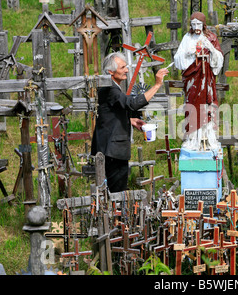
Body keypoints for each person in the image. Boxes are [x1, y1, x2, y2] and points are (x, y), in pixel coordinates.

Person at [91, 52, 169, 192]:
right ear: (111, 71)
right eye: (122, 67)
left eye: (126, 66)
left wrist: (130, 120)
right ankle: (117, 214)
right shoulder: (110, 89)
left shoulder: (110, 87)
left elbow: (110, 113)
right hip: (112, 151)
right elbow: (132, 104)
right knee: (117, 192)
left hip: (108, 148)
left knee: (112, 190)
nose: (126, 70)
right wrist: (157, 85)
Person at [174, 12, 224, 150]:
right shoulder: (187, 38)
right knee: (191, 106)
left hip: (206, 79)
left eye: (199, 24)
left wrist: (211, 49)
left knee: (207, 106)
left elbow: (219, 58)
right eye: (194, 24)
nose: (196, 27)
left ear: (203, 24)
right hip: (192, 81)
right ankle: (192, 138)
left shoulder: (211, 38)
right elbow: (178, 58)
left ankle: (208, 137)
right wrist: (189, 53)